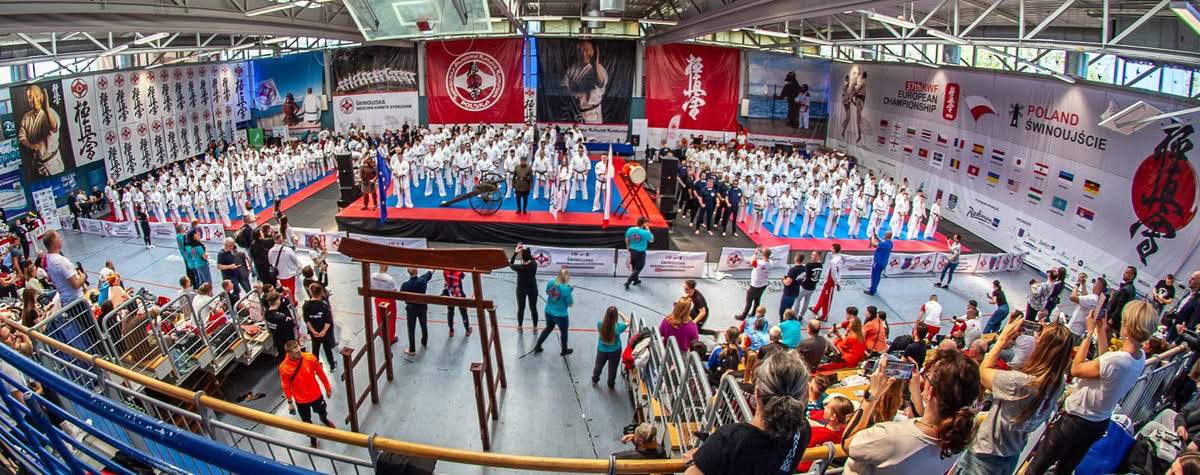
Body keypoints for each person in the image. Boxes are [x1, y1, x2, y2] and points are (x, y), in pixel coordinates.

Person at [1024, 300, 1158, 474]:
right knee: (1064, 469)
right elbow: (1105, 364)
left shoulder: (1117, 360)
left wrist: (1089, 334)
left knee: (1037, 466)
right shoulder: (1139, 357)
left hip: (1076, 418)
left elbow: (1076, 369)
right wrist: (1100, 331)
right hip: (1098, 423)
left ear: (1128, 325)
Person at [956, 315, 1074, 474]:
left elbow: (983, 373)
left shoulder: (1022, 383)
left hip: (985, 457)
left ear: (1043, 348)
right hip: (1010, 455)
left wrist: (1002, 339)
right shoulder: (1058, 383)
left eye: (1039, 337)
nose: (1035, 337)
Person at [843, 350, 981, 475]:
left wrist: (872, 395)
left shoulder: (890, 436)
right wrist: (915, 391)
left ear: (931, 391)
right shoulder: (962, 433)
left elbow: (848, 443)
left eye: (926, 376)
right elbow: (918, 430)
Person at [683, 351, 812, 475]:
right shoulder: (802, 429)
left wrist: (702, 459)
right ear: (802, 395)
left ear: (757, 391)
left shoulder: (728, 439)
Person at [278, 340, 336, 448]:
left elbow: (320, 373)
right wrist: (290, 402)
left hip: (316, 395)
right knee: (306, 422)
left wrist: (327, 387)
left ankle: (324, 420)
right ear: (289, 354)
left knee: (322, 411)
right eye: (296, 352)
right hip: (301, 401)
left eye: (299, 350)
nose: (299, 353)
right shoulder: (284, 368)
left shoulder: (310, 358)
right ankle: (313, 439)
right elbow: (286, 385)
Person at [535, 268, 574, 356]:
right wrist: (569, 291)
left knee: (548, 328)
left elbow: (547, 293)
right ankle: (564, 350)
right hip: (561, 315)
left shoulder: (551, 282)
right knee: (564, 332)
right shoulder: (566, 289)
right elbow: (570, 304)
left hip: (548, 312)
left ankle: (538, 346)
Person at [42, 231, 85, 305]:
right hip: (76, 300)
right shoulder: (61, 261)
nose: (61, 239)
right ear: (55, 244)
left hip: (65, 299)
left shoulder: (46, 259)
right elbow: (76, 284)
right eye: (59, 238)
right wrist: (83, 277)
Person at [592, 306, 630, 388]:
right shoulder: (618, 327)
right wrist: (620, 313)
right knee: (612, 369)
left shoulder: (600, 324)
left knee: (598, 366)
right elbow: (628, 321)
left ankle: (595, 379)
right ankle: (610, 383)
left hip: (602, 350)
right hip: (614, 351)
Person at [302, 283, 336, 370]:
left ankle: (315, 367)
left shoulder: (306, 305)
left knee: (315, 350)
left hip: (314, 333)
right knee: (327, 349)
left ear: (310, 292)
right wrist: (324, 331)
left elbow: (307, 320)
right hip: (325, 333)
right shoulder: (324, 305)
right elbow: (328, 321)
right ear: (321, 292)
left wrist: (313, 331)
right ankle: (332, 365)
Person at [400, 268, 434, 356]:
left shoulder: (405, 285)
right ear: (417, 271)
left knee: (411, 329)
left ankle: (412, 349)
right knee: (423, 325)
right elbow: (430, 271)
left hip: (411, 309)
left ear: (408, 272)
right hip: (422, 307)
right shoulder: (422, 280)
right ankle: (424, 342)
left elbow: (401, 296)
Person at [736, 248, 772, 320]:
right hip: (763, 284)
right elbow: (765, 256)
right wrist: (762, 252)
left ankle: (743, 316)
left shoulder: (759, 263)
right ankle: (754, 313)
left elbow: (752, 261)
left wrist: (755, 253)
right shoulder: (770, 262)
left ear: (763, 254)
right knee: (757, 299)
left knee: (749, 301)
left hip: (755, 285)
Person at [810, 244, 844, 321]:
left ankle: (824, 316)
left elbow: (834, 273)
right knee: (823, 295)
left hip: (830, 282)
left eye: (831, 247)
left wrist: (837, 283)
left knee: (827, 299)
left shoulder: (834, 261)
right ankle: (816, 309)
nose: (830, 248)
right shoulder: (837, 258)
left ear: (834, 250)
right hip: (828, 280)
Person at [1068, 274, 1107, 339]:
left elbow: (1072, 297)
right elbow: (1085, 296)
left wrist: (1077, 284)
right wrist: (1083, 284)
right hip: (1077, 329)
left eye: (1095, 284)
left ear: (1097, 286)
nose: (1093, 285)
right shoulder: (1095, 298)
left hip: (1074, 329)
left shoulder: (1092, 298)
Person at [510, 244, 539, 332]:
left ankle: (520, 326)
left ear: (522, 257)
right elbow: (531, 258)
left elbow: (510, 264)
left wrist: (515, 253)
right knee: (533, 308)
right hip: (532, 289)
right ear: (529, 256)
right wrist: (526, 250)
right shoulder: (534, 264)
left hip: (521, 290)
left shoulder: (519, 267)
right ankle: (535, 327)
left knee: (521, 308)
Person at [370, 265, 400, 344]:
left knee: (379, 316)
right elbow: (394, 291)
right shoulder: (389, 278)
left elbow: (372, 287)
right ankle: (391, 338)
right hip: (388, 300)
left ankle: (381, 333)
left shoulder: (373, 276)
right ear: (386, 267)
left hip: (378, 298)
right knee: (391, 318)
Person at [268, 231, 300, 304]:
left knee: (284, 289)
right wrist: (298, 269)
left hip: (279, 275)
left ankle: (287, 300)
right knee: (291, 289)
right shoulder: (288, 250)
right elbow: (295, 261)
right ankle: (292, 302)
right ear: (281, 239)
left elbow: (270, 263)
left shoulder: (270, 251)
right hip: (289, 274)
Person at [263, 291, 297, 359]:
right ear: (277, 301)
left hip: (277, 341)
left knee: (282, 358)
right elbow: (292, 324)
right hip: (287, 343)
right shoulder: (282, 317)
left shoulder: (266, 314)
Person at [624, 217, 653, 290]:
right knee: (639, 267)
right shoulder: (645, 232)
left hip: (632, 250)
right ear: (644, 223)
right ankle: (628, 282)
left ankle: (636, 280)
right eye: (647, 222)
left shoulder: (630, 229)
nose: (648, 224)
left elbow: (627, 238)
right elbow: (651, 240)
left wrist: (628, 247)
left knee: (634, 266)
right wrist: (648, 230)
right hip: (640, 252)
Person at [1106, 265, 1138, 330]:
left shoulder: (1126, 289)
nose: (1124, 274)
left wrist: (1112, 319)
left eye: (1127, 273)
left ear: (1132, 276)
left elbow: (1120, 307)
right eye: (1125, 272)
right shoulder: (1129, 288)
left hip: (1113, 322)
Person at [442, 269, 471, 337]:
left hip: (450, 294)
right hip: (459, 295)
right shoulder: (459, 272)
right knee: (463, 312)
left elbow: (445, 280)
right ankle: (467, 330)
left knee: (450, 312)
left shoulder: (445, 270)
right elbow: (463, 276)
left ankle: (451, 330)